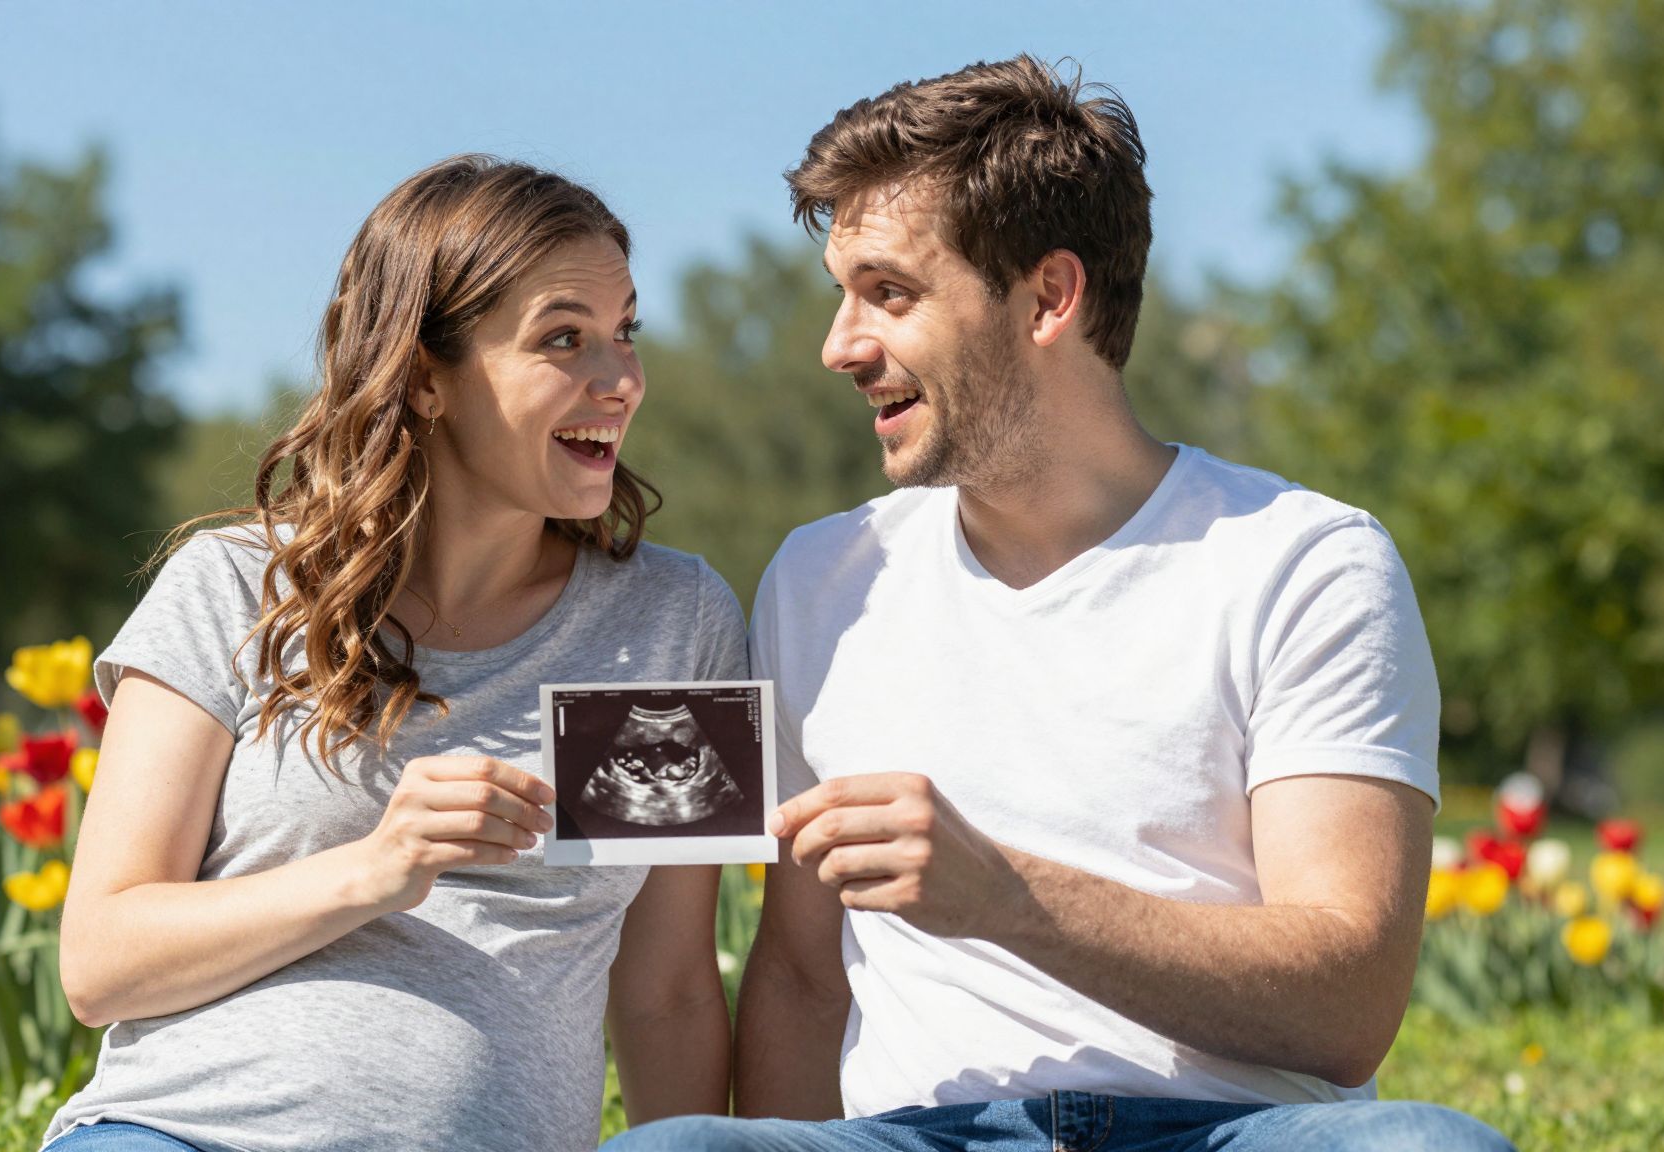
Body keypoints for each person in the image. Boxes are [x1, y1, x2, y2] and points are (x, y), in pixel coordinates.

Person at [608, 58, 1512, 1152]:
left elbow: (1347, 1013)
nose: (838, 346)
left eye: (888, 293)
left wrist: (1006, 898)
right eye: (842, 294)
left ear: (1048, 297)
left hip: (1232, 1132)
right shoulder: (817, 580)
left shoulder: (1303, 563)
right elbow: (800, 978)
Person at [43, 156, 741, 1152]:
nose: (620, 378)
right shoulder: (241, 586)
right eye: (563, 339)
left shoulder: (665, 627)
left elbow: (665, 988)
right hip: (178, 1133)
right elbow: (101, 961)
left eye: (625, 332)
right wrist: (375, 868)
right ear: (423, 378)